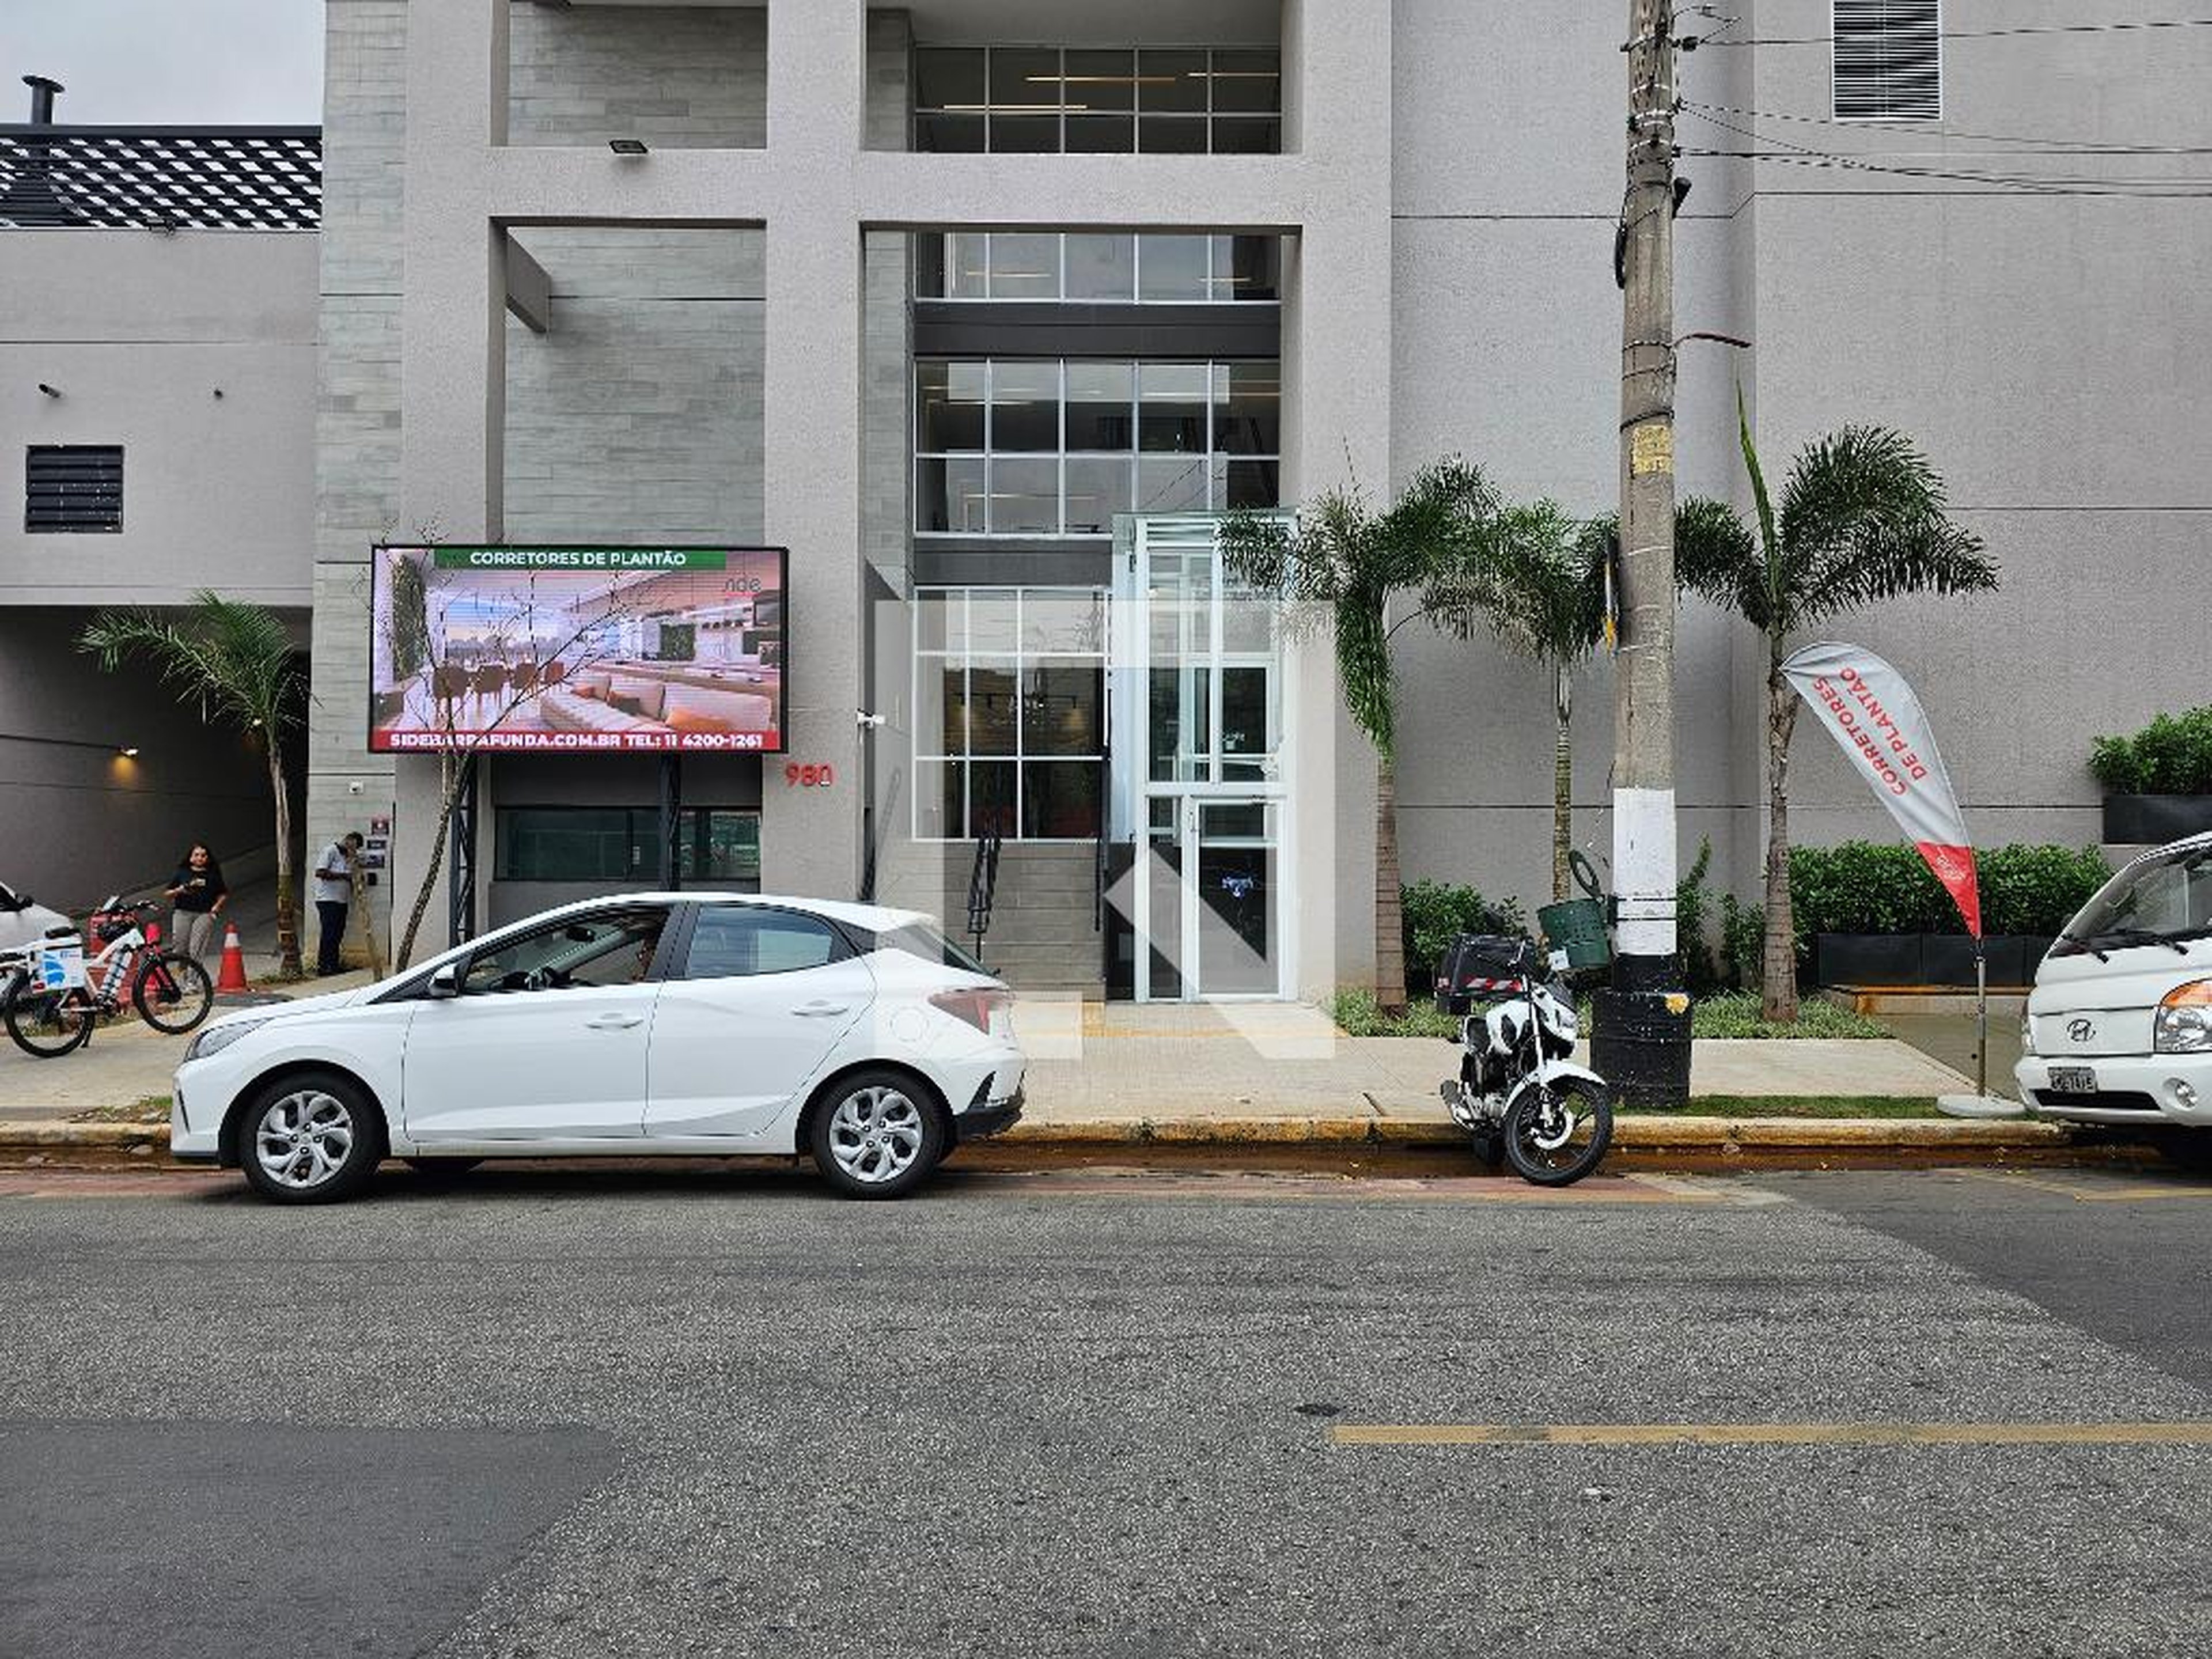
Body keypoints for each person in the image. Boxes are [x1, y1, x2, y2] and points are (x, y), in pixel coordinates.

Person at [162, 844, 228, 961]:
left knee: (196, 947)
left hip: (204, 913)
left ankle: (192, 980)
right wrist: (180, 889)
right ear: (191, 857)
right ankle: (182, 974)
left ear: (208, 858)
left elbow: (223, 893)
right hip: (182, 912)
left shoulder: (213, 874)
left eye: (203, 855)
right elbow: (167, 894)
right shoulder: (182, 872)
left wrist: (217, 906)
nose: (200, 858)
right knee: (180, 948)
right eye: (196, 855)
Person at [313, 831, 365, 976]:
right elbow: (320, 872)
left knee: (338, 934)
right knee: (329, 934)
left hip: (341, 900)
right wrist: (345, 876)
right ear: (349, 841)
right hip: (328, 900)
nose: (354, 850)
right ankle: (323, 967)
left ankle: (333, 965)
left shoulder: (347, 857)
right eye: (354, 846)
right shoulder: (330, 851)